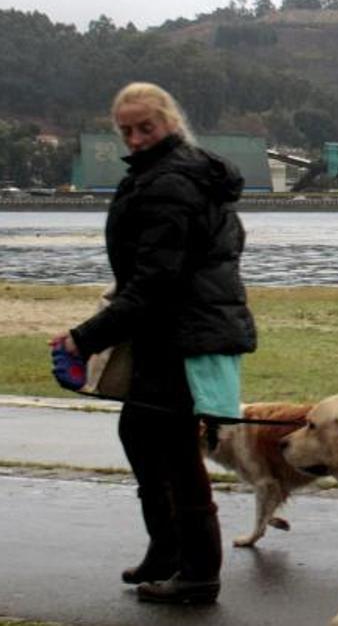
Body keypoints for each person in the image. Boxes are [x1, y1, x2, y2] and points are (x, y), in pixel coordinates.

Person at [50, 82, 256, 605]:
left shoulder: (171, 183)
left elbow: (156, 281)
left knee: (174, 452)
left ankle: (198, 574)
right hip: (176, 327)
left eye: (146, 127)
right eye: (126, 130)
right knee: (142, 433)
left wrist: (84, 338)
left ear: (170, 122)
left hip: (179, 331)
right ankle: (167, 551)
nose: (136, 138)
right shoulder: (172, 173)